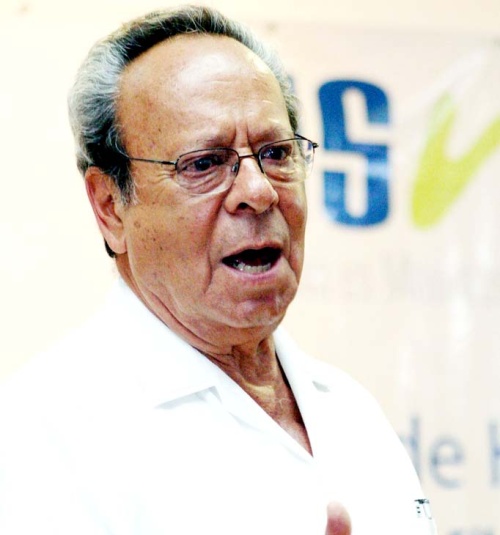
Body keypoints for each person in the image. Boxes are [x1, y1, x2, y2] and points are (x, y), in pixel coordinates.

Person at [0, 6, 435, 534]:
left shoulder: (351, 410)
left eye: (276, 153)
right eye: (203, 163)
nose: (258, 191)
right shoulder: (40, 437)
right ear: (111, 207)